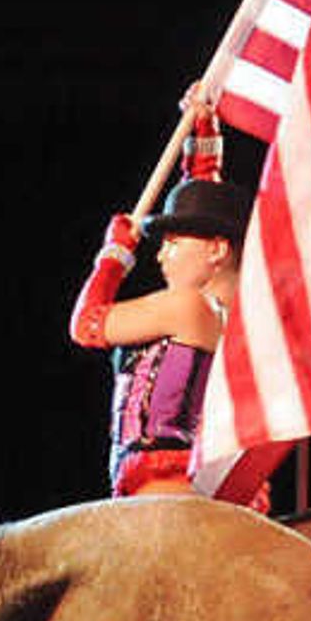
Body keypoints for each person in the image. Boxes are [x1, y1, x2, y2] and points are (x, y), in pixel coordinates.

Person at [65, 126, 249, 501]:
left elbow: (86, 326)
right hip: (188, 484)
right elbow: (203, 205)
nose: (161, 255)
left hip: (162, 487)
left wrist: (114, 255)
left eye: (173, 244)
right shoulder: (229, 311)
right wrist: (203, 133)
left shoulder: (187, 306)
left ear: (216, 251)